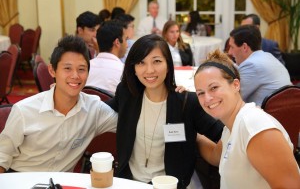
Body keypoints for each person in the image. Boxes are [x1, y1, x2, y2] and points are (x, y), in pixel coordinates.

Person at [106, 34, 224, 189]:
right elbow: (101, 111)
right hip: (129, 182)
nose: (149, 70)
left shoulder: (186, 103)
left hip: (170, 185)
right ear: (133, 68)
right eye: (141, 62)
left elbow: (223, 133)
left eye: (157, 61)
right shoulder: (127, 94)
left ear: (168, 65)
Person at [0, 35, 118, 173]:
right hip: (22, 180)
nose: (75, 75)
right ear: (52, 70)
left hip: (62, 183)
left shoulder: (94, 109)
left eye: (81, 69)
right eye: (67, 68)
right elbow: (2, 156)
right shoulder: (24, 110)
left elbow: (131, 124)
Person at [194, 49, 300, 189]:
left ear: (236, 85)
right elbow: (215, 156)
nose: (207, 98)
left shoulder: (254, 126)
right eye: (200, 93)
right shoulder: (231, 127)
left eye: (214, 87)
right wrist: (191, 133)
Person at [228, 25, 291, 106]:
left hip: (265, 115)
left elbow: (232, 97)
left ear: (244, 47)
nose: (229, 52)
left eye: (232, 47)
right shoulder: (267, 56)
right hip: (283, 112)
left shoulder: (251, 65)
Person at [86, 20, 128, 94]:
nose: (127, 45)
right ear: (117, 42)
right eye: (125, 39)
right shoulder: (125, 72)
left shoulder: (85, 68)